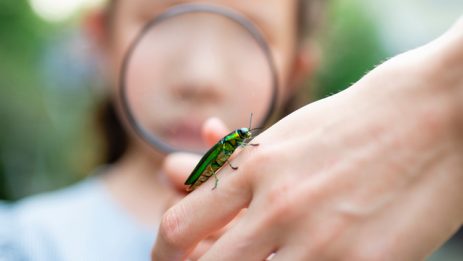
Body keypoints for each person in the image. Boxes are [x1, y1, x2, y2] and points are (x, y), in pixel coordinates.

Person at [0, 0, 321, 260]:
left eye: (250, 35)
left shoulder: (329, 237)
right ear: (101, 40)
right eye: (165, 19)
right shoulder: (22, 243)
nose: (201, 76)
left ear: (294, 71)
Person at [151, 15, 463, 260]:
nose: (202, 75)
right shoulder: (229, 144)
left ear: (299, 66)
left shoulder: (239, 144)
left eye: (250, 36)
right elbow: (222, 158)